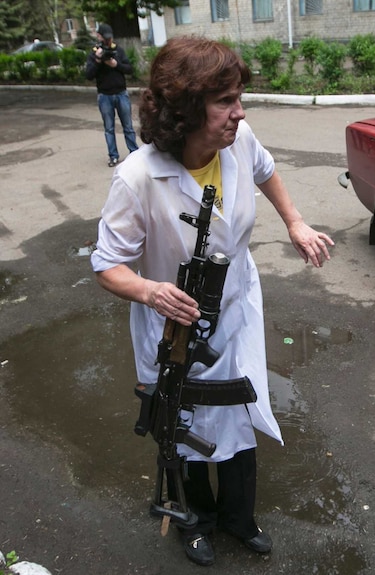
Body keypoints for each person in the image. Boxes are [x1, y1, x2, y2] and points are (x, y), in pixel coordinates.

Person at [90, 36, 335, 567]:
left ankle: (239, 520)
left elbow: (266, 170)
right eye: (225, 100)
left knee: (241, 406)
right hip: (174, 320)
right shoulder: (137, 178)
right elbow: (105, 265)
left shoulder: (239, 140)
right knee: (187, 421)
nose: (239, 112)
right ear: (185, 107)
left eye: (239, 97)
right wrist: (151, 291)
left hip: (236, 301)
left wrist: (294, 221)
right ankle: (194, 521)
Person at [85, 24, 138, 168]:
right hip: (105, 96)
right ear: (99, 36)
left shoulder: (118, 51)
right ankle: (113, 156)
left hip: (121, 93)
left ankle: (134, 153)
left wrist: (116, 64)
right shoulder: (95, 53)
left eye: (110, 38)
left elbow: (129, 69)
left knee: (128, 126)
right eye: (105, 38)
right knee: (109, 128)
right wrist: (97, 61)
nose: (108, 41)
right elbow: (88, 75)